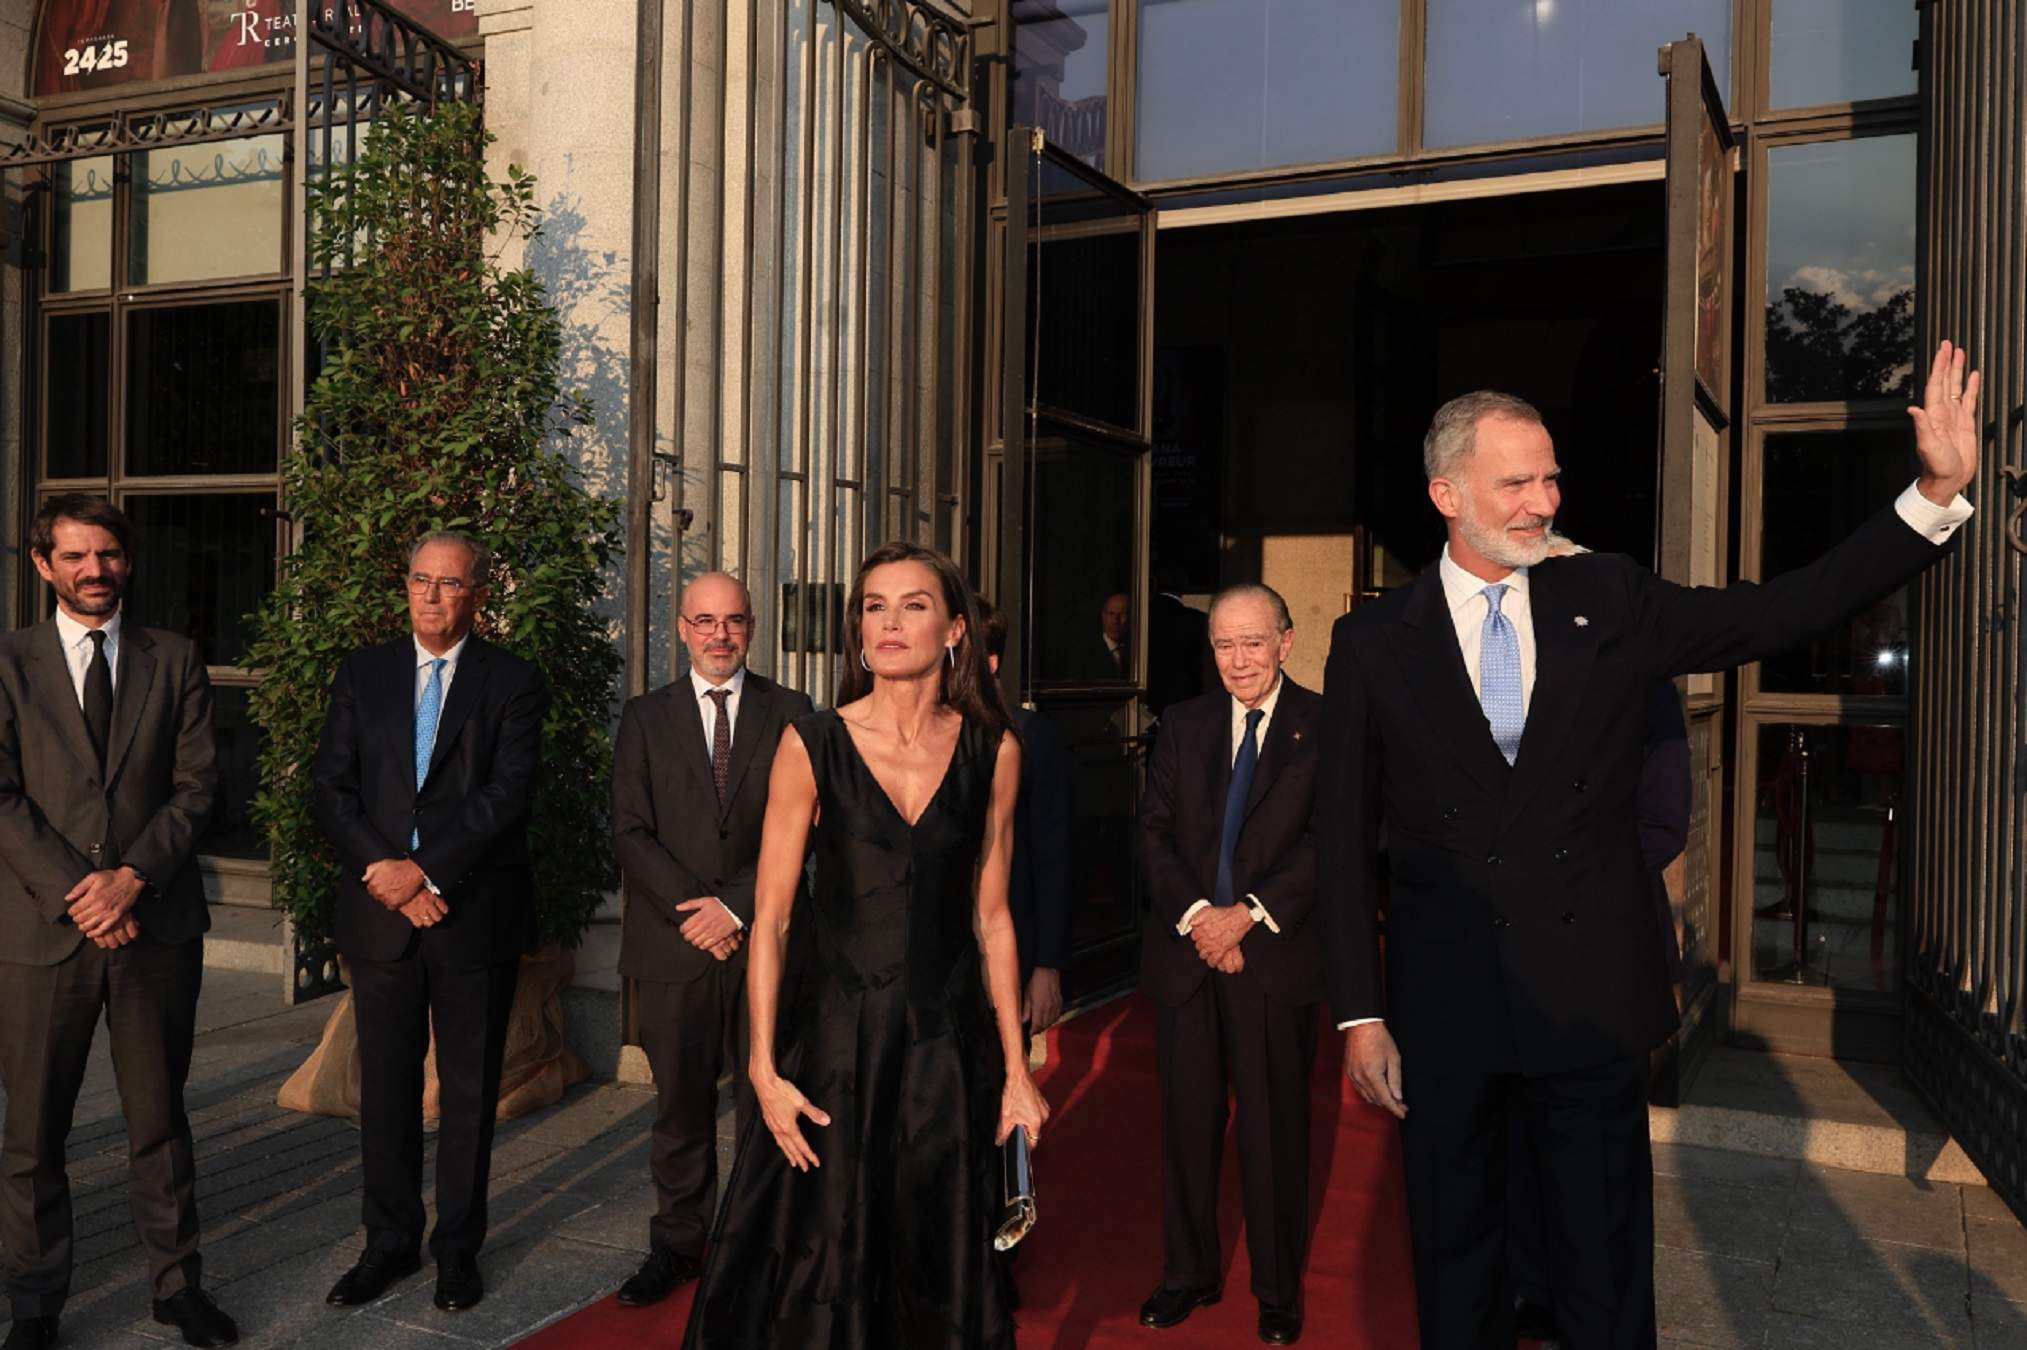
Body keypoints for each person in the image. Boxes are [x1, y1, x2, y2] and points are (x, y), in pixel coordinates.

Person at [1318, 341, 1980, 1349]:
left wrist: (1930, 491)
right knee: (1456, 1268)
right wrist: (1359, 1015)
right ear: (1444, 492)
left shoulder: (1609, 597)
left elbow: (1780, 607)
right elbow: (1337, 835)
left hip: (1584, 997)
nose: (1542, 501)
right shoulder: (1372, 643)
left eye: (1549, 477)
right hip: (1443, 1002)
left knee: (1601, 1271)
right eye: (1515, 483)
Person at [683, 542, 1049, 1348]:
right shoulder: (810, 744)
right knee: (823, 1253)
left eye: (913, 605)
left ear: (955, 630)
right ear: (856, 632)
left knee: (933, 1251)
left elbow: (992, 918)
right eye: (874, 606)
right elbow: (772, 918)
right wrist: (760, 1069)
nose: (889, 621)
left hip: (946, 1049)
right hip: (836, 1049)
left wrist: (1017, 1074)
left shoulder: (996, 750)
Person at [0, 496, 234, 1350]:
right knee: (31, 1134)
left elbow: (199, 786)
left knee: (158, 1123)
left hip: (154, 926)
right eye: (75, 557)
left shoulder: (173, 659)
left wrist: (131, 878)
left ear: (126, 561)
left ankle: (177, 1289)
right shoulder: (8, 663)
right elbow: (2, 797)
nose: (94, 570)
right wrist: (80, 892)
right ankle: (34, 1303)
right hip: (40, 932)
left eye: (108, 555)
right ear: (42, 565)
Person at [312, 531, 549, 1316]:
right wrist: (390, 875)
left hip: (470, 915)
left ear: (477, 593)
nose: (432, 595)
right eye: (421, 579)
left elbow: (504, 796)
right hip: (383, 913)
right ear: (405, 585)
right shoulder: (363, 672)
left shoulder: (511, 681)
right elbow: (333, 787)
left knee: (469, 1093)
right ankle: (387, 1245)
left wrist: (427, 870)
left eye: (450, 584)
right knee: (383, 1090)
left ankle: (457, 1251)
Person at [610, 572, 812, 1306]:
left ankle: (766, 1248)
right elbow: (629, 829)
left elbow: (807, 828)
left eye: (733, 621)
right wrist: (697, 912)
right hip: (672, 947)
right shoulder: (643, 717)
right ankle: (678, 1248)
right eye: (705, 621)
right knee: (680, 1111)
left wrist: (733, 909)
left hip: (764, 942)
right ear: (683, 629)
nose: (719, 634)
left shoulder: (792, 712)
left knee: (771, 1105)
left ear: (751, 628)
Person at [1137, 583, 1322, 1347]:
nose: (1238, 660)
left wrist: (1245, 914)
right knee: (1185, 1126)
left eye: (1252, 642)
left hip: (1271, 956)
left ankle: (1276, 1290)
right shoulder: (1181, 725)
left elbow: (1335, 838)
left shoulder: (1327, 724)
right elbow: (1150, 833)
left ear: (1284, 640)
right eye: (1223, 645)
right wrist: (1198, 920)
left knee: (1273, 1132)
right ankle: (1188, 1273)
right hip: (1187, 960)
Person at [977, 597, 1073, 1039]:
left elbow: (1053, 857)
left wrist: (1047, 965)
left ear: (991, 662)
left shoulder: (1033, 738)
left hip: (1007, 948)